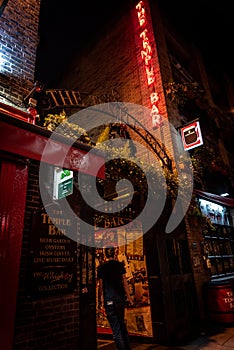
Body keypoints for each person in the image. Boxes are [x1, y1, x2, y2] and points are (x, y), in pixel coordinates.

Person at [97, 247, 133, 350]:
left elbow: (101, 286)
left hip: (109, 300)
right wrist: (129, 298)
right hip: (120, 299)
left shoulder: (101, 268)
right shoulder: (120, 266)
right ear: (114, 254)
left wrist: (100, 300)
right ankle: (128, 347)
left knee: (116, 329)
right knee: (122, 325)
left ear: (105, 255)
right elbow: (125, 283)